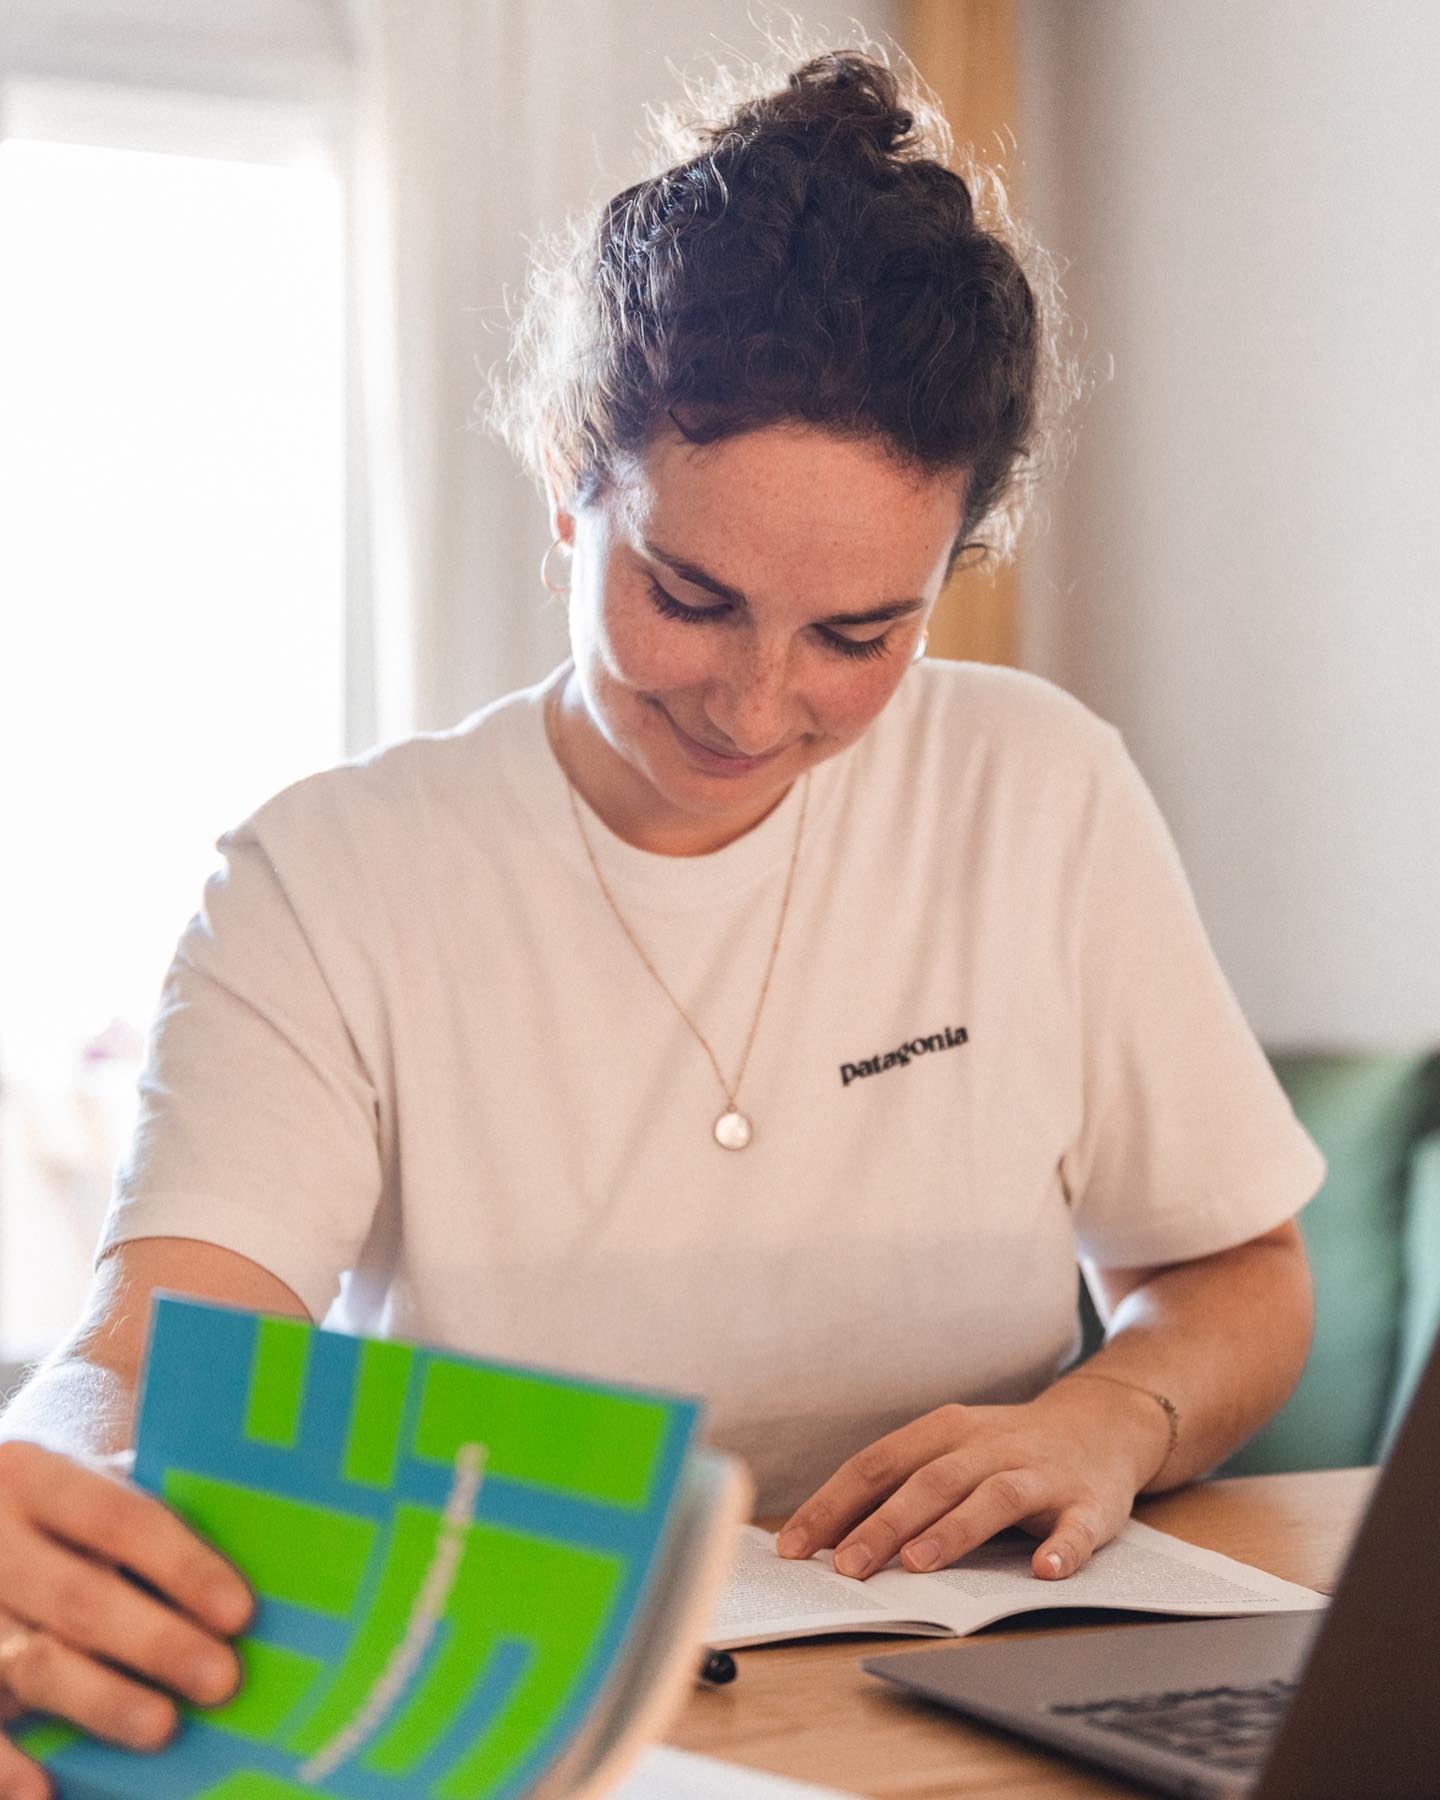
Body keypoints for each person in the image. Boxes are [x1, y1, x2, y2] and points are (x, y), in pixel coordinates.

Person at [0, 46, 1321, 1780]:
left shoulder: (1039, 785)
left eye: (861, 635)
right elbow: (160, 1351)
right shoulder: (330, 875)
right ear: (570, 479)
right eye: (690, 596)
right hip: (552, 1739)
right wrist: (60, 1492)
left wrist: (1109, 1411)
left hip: (987, 1704)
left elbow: (1234, 1272)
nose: (760, 704)